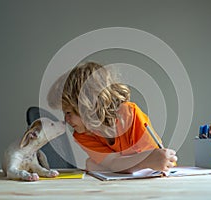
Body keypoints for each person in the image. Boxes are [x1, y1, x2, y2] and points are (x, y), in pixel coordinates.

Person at [47, 61, 177, 173]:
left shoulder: (129, 114)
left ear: (88, 105)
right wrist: (143, 161)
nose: (66, 120)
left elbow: (157, 162)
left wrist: (108, 166)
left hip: (151, 182)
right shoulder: (82, 134)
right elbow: (115, 163)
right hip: (122, 184)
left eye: (69, 112)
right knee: (91, 164)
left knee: (91, 164)